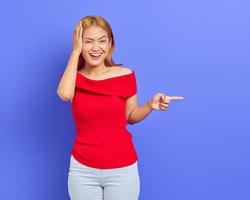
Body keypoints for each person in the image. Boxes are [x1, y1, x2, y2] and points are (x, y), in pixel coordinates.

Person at [56, 15, 184, 200]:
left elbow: (130, 116)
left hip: (122, 168)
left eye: (102, 41)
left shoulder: (126, 75)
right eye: (88, 41)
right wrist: (75, 53)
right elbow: (65, 94)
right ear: (79, 43)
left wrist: (149, 105)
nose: (95, 47)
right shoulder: (73, 78)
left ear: (110, 44)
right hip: (82, 169)